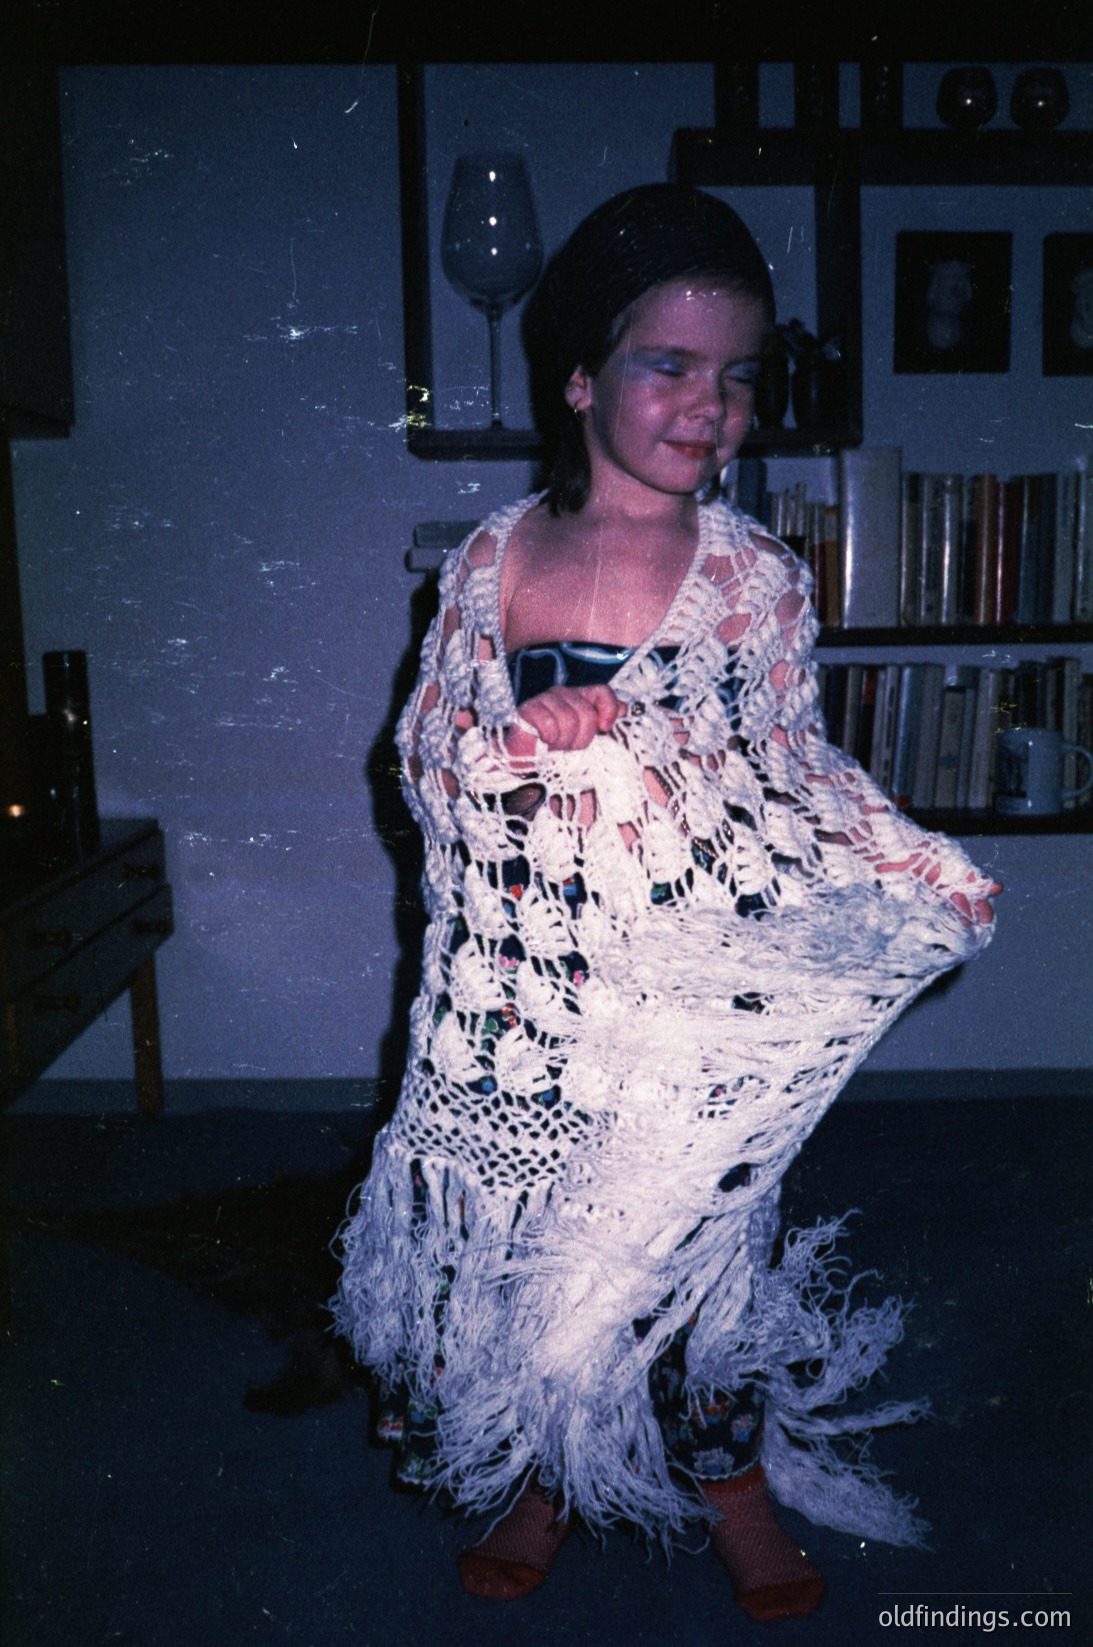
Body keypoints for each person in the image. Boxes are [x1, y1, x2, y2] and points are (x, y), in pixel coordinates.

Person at [335, 184, 1000, 1623]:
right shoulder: (494, 560)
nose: (709, 405)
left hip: (686, 977)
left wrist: (905, 862)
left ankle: (728, 1481)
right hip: (532, 991)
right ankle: (541, 1477)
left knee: (698, 1253)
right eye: (668, 366)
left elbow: (780, 765)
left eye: (738, 376)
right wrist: (512, 750)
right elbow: (425, 755)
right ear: (580, 377)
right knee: (538, 1252)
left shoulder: (750, 577)